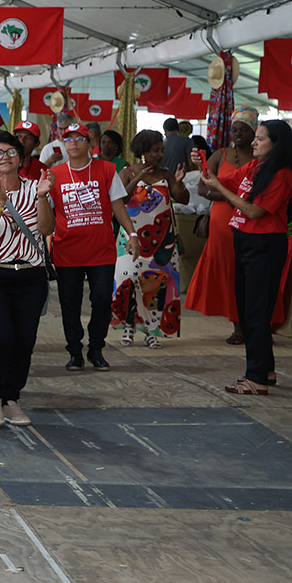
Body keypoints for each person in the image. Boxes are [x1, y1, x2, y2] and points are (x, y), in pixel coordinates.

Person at [195, 119, 292, 396]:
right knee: (248, 309)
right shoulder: (255, 167)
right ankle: (265, 369)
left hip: (264, 245)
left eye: (260, 138)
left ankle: (256, 378)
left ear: (276, 144)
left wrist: (222, 190)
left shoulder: (282, 174)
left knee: (257, 311)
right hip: (245, 242)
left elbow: (253, 211)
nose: (253, 143)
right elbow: (218, 181)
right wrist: (201, 164)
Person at [0, 130, 55, 428]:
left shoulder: (35, 187)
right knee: (2, 335)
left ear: (21, 158)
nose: (5, 157)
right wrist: (0, 202)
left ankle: (11, 398)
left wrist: (42, 197)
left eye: (11, 152)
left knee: (24, 339)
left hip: (30, 275)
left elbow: (46, 228)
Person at [49, 123, 139, 372]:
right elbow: (46, 213)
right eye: (69, 139)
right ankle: (74, 350)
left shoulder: (107, 170)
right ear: (64, 143)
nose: (73, 143)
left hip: (101, 251)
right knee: (69, 303)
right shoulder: (54, 174)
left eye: (79, 139)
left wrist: (132, 234)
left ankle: (96, 348)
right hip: (67, 251)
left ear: (90, 144)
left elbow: (118, 206)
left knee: (101, 300)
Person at [185, 108, 257, 344]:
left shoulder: (260, 157)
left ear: (254, 131)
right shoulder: (220, 155)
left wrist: (230, 195)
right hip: (222, 222)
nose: (238, 134)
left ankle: (256, 324)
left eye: (243, 129)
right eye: (234, 129)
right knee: (229, 272)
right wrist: (228, 197)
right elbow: (202, 188)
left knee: (251, 272)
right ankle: (238, 326)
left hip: (251, 219)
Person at [112, 130, 189, 348]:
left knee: (154, 286)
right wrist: (136, 179)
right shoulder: (126, 173)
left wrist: (179, 183)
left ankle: (151, 330)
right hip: (130, 238)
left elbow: (183, 199)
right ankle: (129, 324)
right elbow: (119, 200)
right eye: (156, 150)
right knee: (127, 281)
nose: (160, 155)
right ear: (143, 151)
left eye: (162, 150)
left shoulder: (166, 174)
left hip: (162, 241)